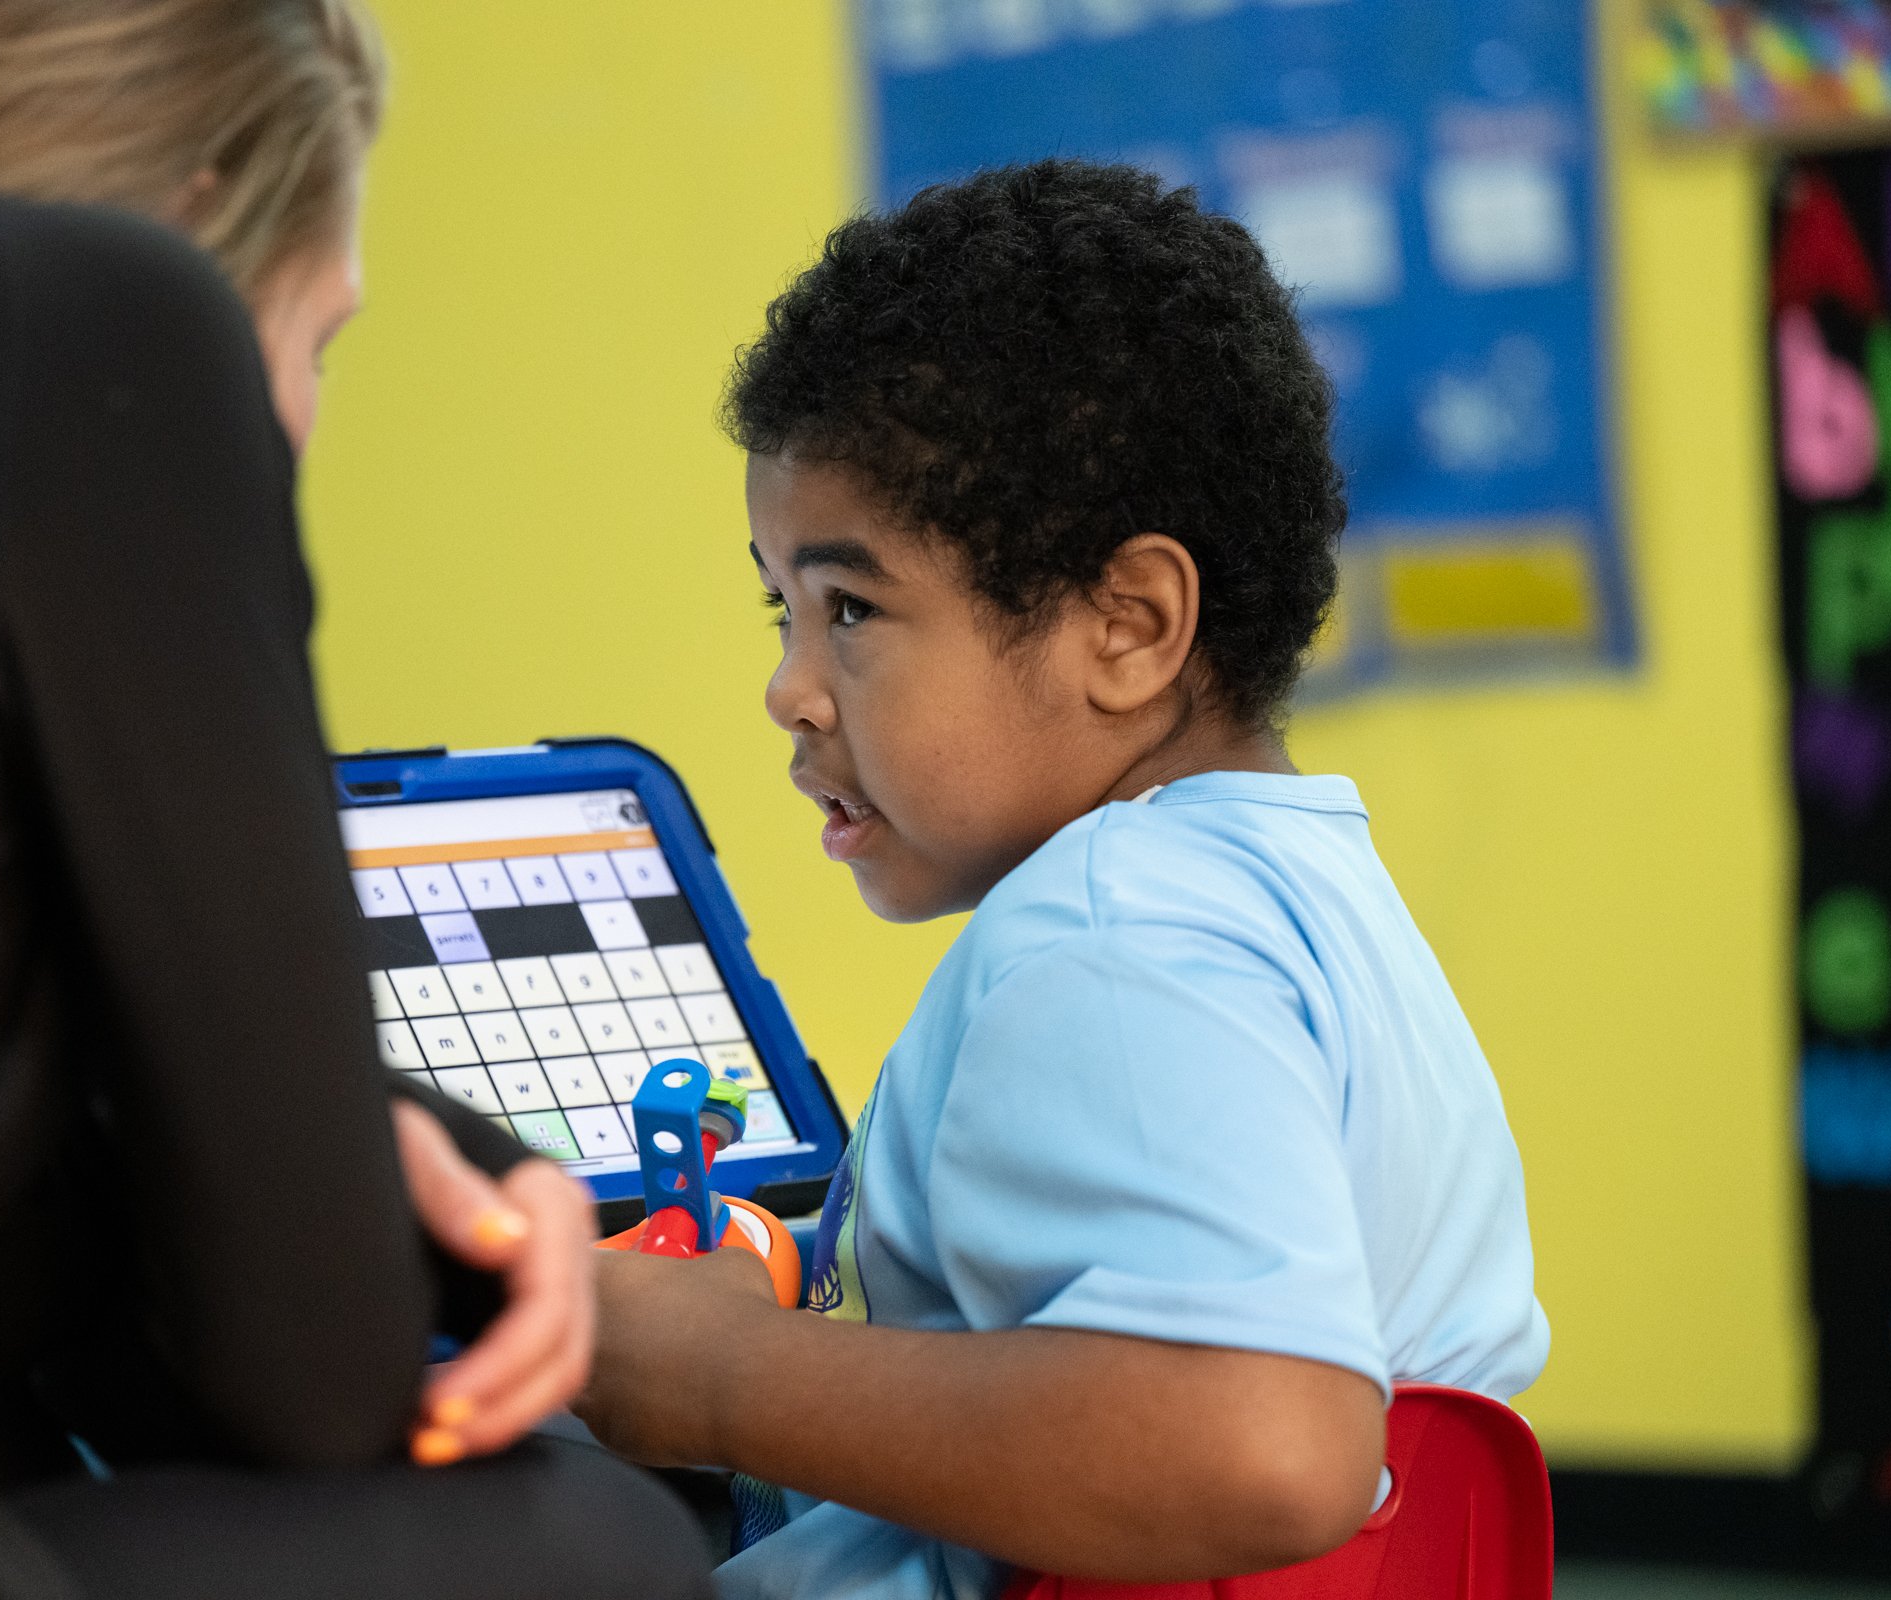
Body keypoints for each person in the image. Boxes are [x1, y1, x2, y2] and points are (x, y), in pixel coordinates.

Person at [0, 1, 711, 1597]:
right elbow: (308, 1369)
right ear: (200, 208)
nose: (294, 422)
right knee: (594, 1545)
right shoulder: (94, 317)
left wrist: (396, 1146)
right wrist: (445, 1215)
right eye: (318, 344)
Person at [574, 160, 1550, 1599]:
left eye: (851, 608)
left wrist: (722, 1374)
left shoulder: (1108, 934)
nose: (789, 689)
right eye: (778, 609)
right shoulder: (1301, 902)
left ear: (1129, 625)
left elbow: (1265, 1446)